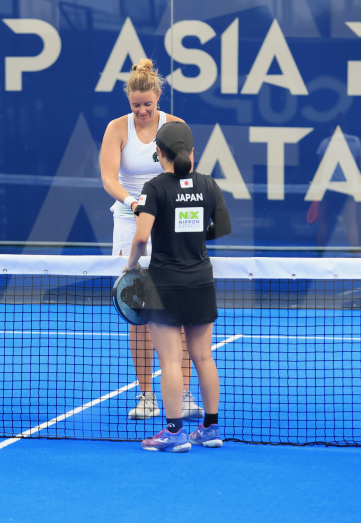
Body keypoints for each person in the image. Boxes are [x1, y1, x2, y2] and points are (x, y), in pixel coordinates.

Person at [100, 59, 203, 420]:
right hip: (129, 220)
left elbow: (186, 175)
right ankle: (146, 395)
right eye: (135, 105)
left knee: (177, 310)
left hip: (169, 220)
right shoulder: (117, 128)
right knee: (139, 311)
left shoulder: (176, 127)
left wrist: (161, 205)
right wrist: (134, 203)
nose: (142, 111)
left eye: (147, 104)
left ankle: (184, 394)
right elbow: (109, 178)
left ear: (159, 95)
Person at [126, 121, 231, 452]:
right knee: (203, 357)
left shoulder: (154, 188)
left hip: (165, 285)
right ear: (192, 152)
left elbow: (141, 237)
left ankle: (174, 433)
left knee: (171, 362)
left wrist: (131, 266)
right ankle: (210, 429)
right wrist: (195, 234)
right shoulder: (208, 184)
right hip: (201, 282)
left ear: (160, 154)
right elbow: (223, 227)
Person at [315, 117, 361, 254]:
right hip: (347, 189)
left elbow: (321, 166)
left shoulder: (325, 142)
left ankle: (319, 256)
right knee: (351, 223)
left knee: (324, 223)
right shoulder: (355, 141)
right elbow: (359, 164)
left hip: (329, 189)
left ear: (332, 128)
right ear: (345, 127)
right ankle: (355, 258)